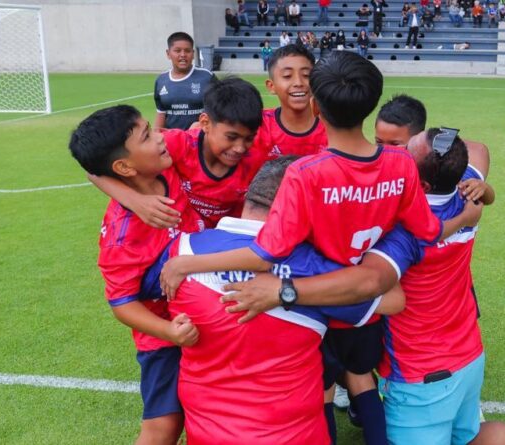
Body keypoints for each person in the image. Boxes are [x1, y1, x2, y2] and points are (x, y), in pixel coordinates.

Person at [159, 51, 475, 445]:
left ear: (315, 107)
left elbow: (266, 253)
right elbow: (428, 230)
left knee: (319, 387)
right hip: (365, 305)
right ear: (371, 106)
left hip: (317, 304)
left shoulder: (306, 173)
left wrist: (189, 263)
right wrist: (466, 216)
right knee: (360, 377)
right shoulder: (400, 163)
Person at [144, 156, 409, 445]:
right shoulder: (316, 268)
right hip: (295, 435)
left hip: (208, 433)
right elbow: (393, 299)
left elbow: (131, 294)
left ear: (251, 194)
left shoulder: (181, 252)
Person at [68, 105, 202, 445]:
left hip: (209, 313)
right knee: (164, 426)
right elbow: (122, 304)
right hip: (166, 336)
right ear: (125, 167)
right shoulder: (121, 238)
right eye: (147, 135)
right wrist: (169, 332)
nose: (160, 136)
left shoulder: (169, 161)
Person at [89, 77, 264, 230]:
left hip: (222, 241)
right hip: (180, 237)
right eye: (231, 137)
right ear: (205, 123)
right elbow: (94, 172)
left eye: (249, 138)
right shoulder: (179, 144)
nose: (240, 148)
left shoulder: (257, 160)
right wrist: (135, 201)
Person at [252, 44, 328, 166]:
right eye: (287, 76)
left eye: (306, 75)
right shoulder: (257, 124)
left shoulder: (332, 126)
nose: (298, 83)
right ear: (271, 86)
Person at [151, 33, 215, 131]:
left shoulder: (207, 77)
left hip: (200, 137)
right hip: (172, 138)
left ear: (193, 54)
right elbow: (161, 113)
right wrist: (156, 134)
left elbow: (219, 110)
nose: (183, 55)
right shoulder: (161, 80)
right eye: (177, 51)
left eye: (187, 51)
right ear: (168, 53)